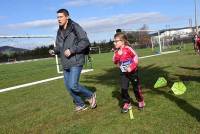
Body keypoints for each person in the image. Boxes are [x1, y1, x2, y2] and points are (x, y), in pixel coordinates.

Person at [49, 9, 97, 112]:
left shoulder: (75, 26)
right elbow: (59, 46)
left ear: (67, 17)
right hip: (65, 62)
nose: (58, 19)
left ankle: (90, 95)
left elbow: (85, 41)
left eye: (61, 17)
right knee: (68, 87)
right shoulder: (59, 31)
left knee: (73, 85)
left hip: (76, 60)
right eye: (57, 17)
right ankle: (80, 103)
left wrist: (72, 50)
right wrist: (54, 50)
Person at [112, 32, 145, 113]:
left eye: (116, 41)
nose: (114, 43)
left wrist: (131, 67)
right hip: (123, 74)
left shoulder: (128, 49)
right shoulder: (116, 52)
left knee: (136, 88)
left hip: (133, 72)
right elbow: (115, 61)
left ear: (122, 41)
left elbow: (136, 57)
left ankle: (140, 101)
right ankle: (127, 103)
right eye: (114, 41)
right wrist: (116, 55)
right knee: (124, 89)